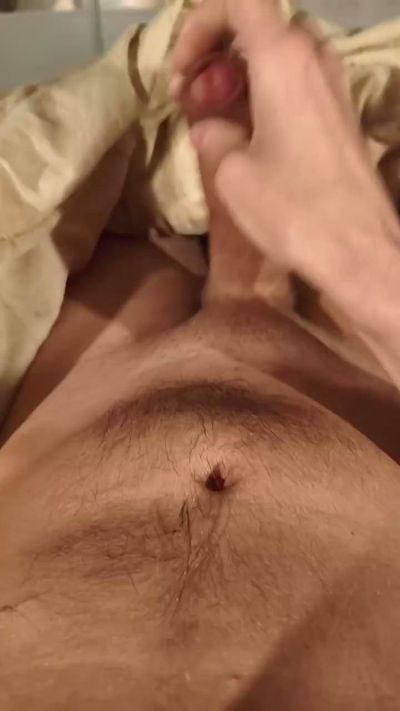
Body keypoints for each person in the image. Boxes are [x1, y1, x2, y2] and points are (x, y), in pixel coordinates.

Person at [1, 1, 400, 708]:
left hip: (72, 408)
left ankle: (237, 220)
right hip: (366, 395)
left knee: (107, 246)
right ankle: (249, 232)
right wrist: (369, 266)